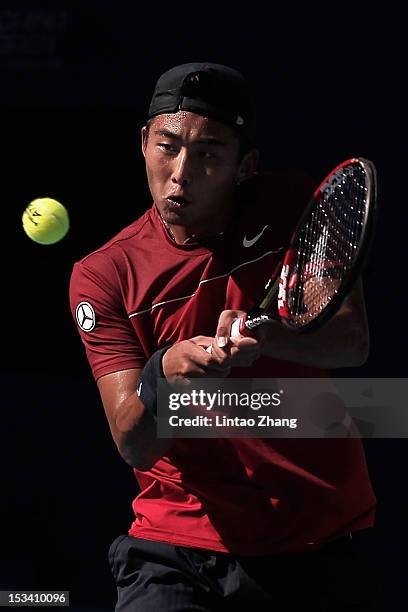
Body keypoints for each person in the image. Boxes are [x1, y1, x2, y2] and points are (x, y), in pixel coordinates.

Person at [70, 62, 382, 611]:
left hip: (312, 539)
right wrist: (165, 373)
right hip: (173, 545)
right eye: (167, 146)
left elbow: (351, 341)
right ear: (144, 142)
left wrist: (268, 338)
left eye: (209, 153)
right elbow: (134, 442)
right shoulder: (104, 275)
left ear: (245, 167)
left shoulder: (291, 207)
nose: (181, 172)